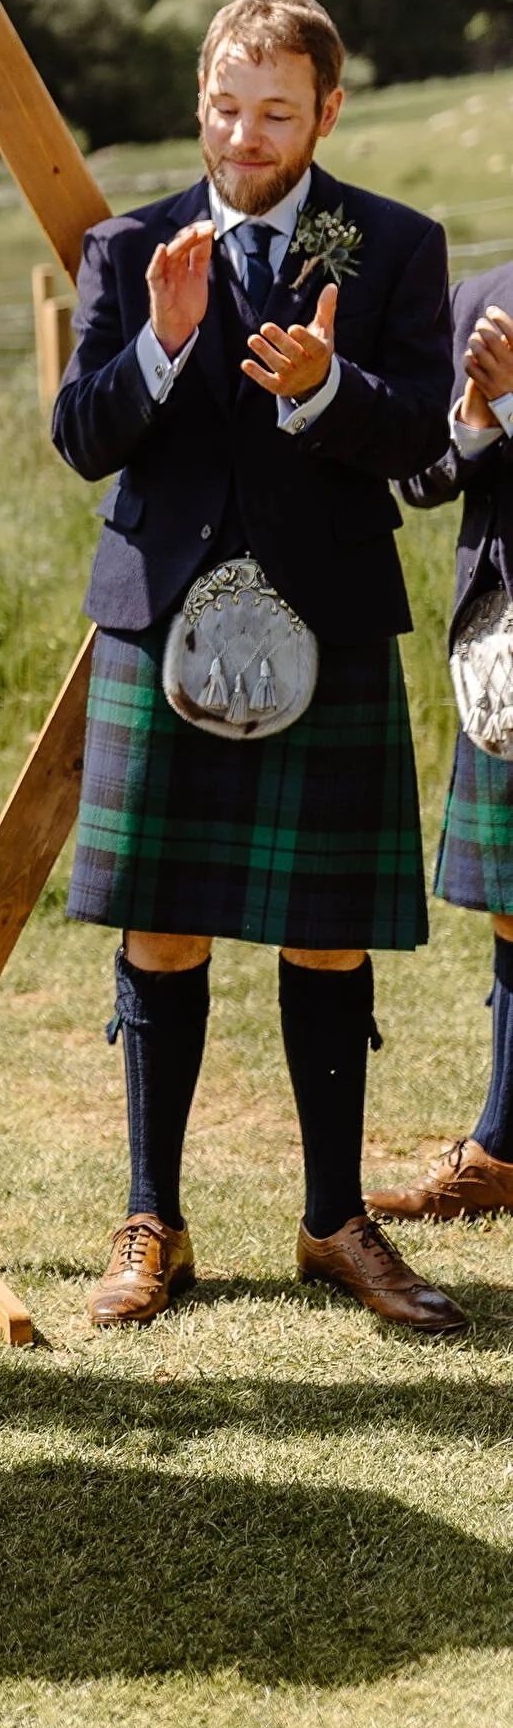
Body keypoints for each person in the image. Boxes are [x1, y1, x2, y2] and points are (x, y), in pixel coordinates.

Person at [52, 0, 463, 1333]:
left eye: (275, 112)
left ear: (325, 112)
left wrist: (324, 393)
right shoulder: (131, 249)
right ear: (200, 98)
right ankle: (149, 1220)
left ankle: (335, 1221)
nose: (243, 135)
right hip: (161, 621)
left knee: (327, 936)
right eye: (225, 106)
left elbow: (419, 441)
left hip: (326, 622)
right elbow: (83, 438)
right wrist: (165, 348)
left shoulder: (390, 245)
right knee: (163, 931)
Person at [370, 268, 513, 1222]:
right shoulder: (483, 298)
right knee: (511, 906)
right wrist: (473, 415)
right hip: (505, 650)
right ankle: (501, 1152)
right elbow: (419, 474)